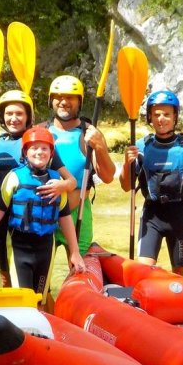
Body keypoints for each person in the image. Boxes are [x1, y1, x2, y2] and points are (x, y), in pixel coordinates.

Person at [0, 89, 76, 287]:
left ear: (28, 116)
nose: (13, 118)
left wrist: (61, 185)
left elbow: (70, 182)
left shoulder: (39, 143)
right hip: (4, 224)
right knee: (7, 282)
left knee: (37, 290)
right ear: (1, 117)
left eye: (19, 113)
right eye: (9, 114)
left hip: (34, 222)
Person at [0, 127, 85, 294]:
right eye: (34, 148)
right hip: (19, 248)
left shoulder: (57, 181)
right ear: (25, 152)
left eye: (44, 148)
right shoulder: (14, 177)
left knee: (40, 301)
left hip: (46, 247)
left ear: (51, 153)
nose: (39, 152)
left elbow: (65, 218)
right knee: (21, 300)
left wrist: (75, 252)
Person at [119, 89, 183, 275]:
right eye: (156, 114)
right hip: (152, 216)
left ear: (175, 116)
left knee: (181, 275)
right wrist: (127, 164)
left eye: (167, 114)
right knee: (143, 271)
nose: (161, 119)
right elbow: (126, 186)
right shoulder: (141, 147)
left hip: (179, 216)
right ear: (150, 116)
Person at [40, 75, 116, 255]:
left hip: (78, 213)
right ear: (51, 100)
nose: (63, 101)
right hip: (44, 213)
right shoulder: (41, 130)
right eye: (58, 96)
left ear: (79, 102)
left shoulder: (88, 132)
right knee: (42, 278)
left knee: (79, 273)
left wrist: (100, 146)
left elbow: (108, 177)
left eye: (70, 97)